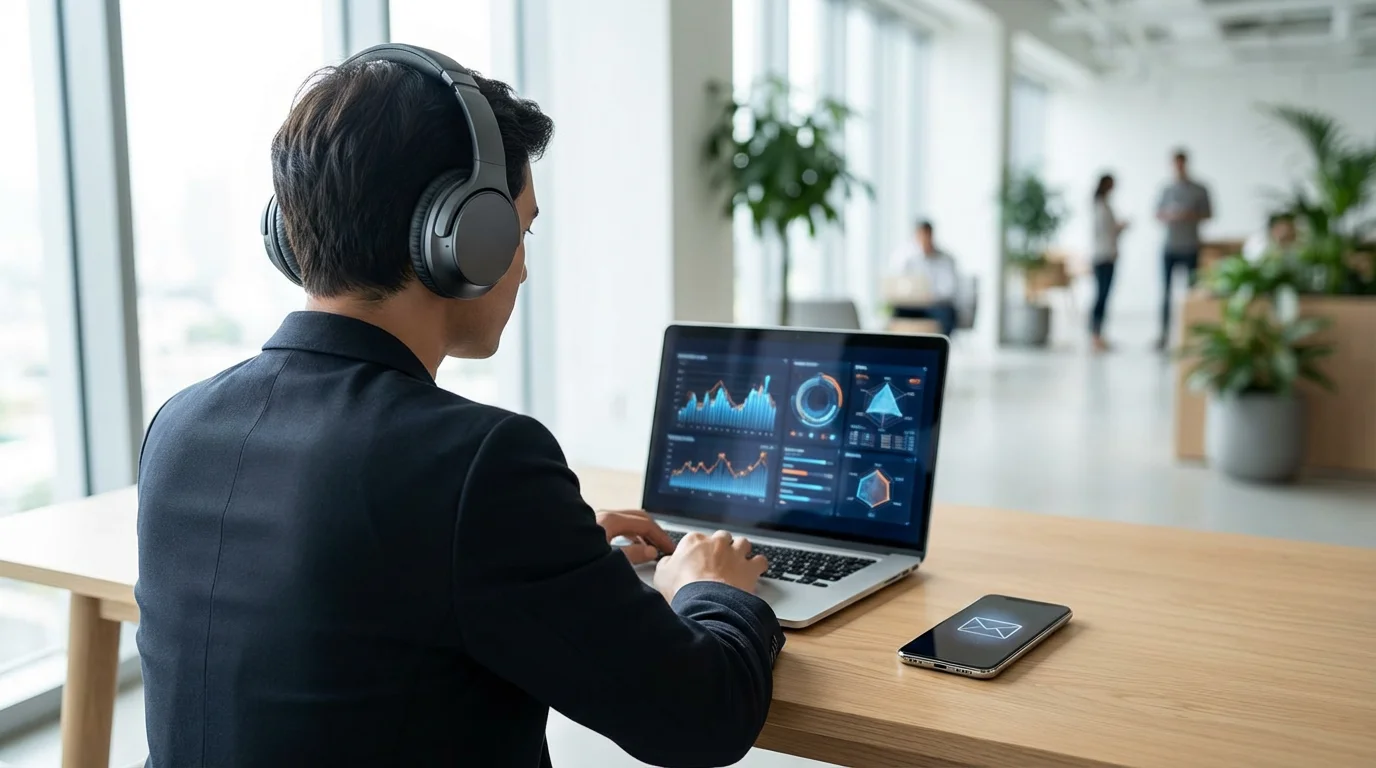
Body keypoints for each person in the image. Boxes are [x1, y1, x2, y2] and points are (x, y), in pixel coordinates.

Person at [135, 47, 783, 768]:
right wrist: (709, 590)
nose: (523, 266)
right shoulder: (481, 466)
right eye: (519, 232)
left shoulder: (179, 427)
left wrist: (552, 552)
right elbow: (703, 718)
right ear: (465, 237)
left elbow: (361, 586)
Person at [1155, 149, 1212, 349]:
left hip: (1190, 246)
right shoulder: (1166, 189)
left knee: (1192, 292)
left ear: (1186, 164)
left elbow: (1209, 214)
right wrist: (1170, 215)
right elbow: (1157, 214)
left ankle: (1192, 335)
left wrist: (1190, 215)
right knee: (1165, 292)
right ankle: (1163, 336)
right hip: (1170, 246)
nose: (1178, 167)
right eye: (1175, 164)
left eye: (1181, 163)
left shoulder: (1199, 189)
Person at [889, 219, 959, 335]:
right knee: (896, 314)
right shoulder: (908, 259)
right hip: (913, 305)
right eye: (921, 236)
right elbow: (899, 284)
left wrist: (930, 296)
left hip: (937, 306)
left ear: (932, 235)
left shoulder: (946, 259)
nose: (924, 240)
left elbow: (949, 290)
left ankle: (941, 343)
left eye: (927, 236)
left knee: (947, 314)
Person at [1089, 173, 1128, 352]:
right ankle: (1095, 335)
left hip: (1106, 255)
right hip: (1103, 256)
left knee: (1103, 296)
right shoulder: (1100, 207)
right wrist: (1120, 228)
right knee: (1101, 296)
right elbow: (1106, 232)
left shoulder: (1102, 205)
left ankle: (1098, 335)